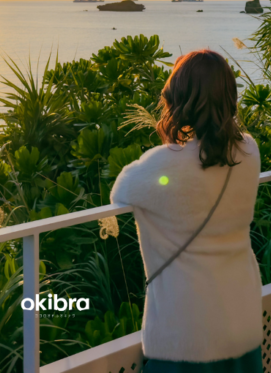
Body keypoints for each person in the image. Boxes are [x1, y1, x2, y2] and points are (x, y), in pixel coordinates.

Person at [110, 49, 262, 373]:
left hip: (188, 334)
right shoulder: (249, 151)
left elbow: (120, 191)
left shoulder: (163, 163)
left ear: (180, 100)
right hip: (242, 321)